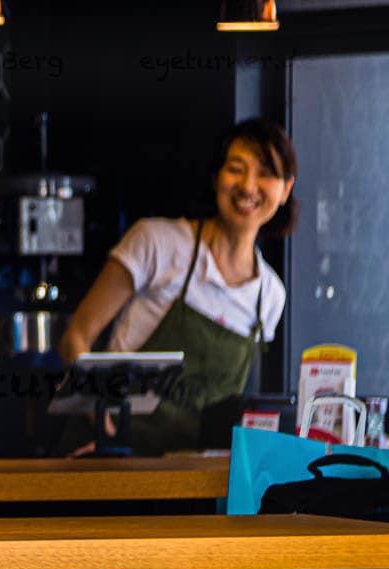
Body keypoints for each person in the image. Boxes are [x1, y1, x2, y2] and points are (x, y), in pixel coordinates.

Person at [57, 118, 297, 454]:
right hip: (107, 453)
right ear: (216, 177)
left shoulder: (270, 295)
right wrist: (101, 421)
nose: (248, 186)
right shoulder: (157, 242)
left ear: (286, 189)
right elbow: (75, 337)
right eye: (236, 168)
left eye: (266, 173)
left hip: (190, 470)